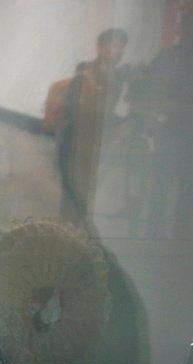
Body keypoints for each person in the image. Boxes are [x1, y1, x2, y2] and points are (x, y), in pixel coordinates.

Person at [148, 9, 193, 238]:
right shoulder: (165, 57)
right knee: (161, 179)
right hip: (169, 126)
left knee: (191, 182)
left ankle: (182, 228)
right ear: (183, 29)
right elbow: (150, 91)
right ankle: (155, 227)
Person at [55, 28, 129, 230]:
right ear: (100, 47)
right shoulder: (86, 70)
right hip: (77, 137)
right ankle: (67, 231)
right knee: (73, 186)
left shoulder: (117, 76)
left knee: (87, 186)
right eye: (114, 46)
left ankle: (77, 229)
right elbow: (85, 105)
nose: (118, 52)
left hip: (94, 140)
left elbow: (107, 108)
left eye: (122, 47)